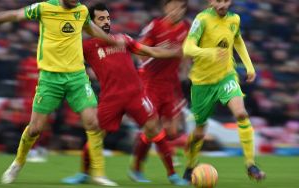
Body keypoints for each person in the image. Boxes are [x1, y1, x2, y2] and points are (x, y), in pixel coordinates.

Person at [0, 0, 124, 186]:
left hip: (77, 77)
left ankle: (99, 173)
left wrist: (112, 40)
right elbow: (15, 14)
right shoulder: (44, 8)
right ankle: (18, 162)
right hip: (50, 79)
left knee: (93, 122)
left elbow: (91, 28)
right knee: (35, 128)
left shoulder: (81, 10)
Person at [61, 3, 187, 186]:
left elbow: (149, 51)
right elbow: (67, 62)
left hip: (136, 95)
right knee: (97, 135)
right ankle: (83, 173)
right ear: (91, 23)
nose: (106, 22)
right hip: (110, 98)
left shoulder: (123, 39)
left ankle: (173, 175)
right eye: (100, 18)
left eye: (107, 18)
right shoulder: (86, 46)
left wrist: (174, 52)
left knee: (155, 129)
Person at [181, 0, 266, 182]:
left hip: (226, 77)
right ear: (210, 1)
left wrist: (249, 66)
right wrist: (209, 52)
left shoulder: (235, 19)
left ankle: (251, 164)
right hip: (202, 82)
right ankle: (190, 165)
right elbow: (187, 48)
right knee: (199, 132)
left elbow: (238, 40)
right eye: (218, 0)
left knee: (242, 114)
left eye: (226, 0)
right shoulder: (202, 19)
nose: (223, 4)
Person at [129, 0, 191, 182]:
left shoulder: (186, 28)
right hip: (150, 84)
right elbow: (137, 51)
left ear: (184, 10)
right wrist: (158, 51)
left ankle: (141, 163)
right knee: (153, 129)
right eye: (171, 7)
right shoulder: (155, 26)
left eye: (179, 7)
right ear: (165, 8)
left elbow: (186, 53)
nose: (175, 11)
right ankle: (168, 173)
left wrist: (185, 72)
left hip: (170, 86)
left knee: (171, 131)